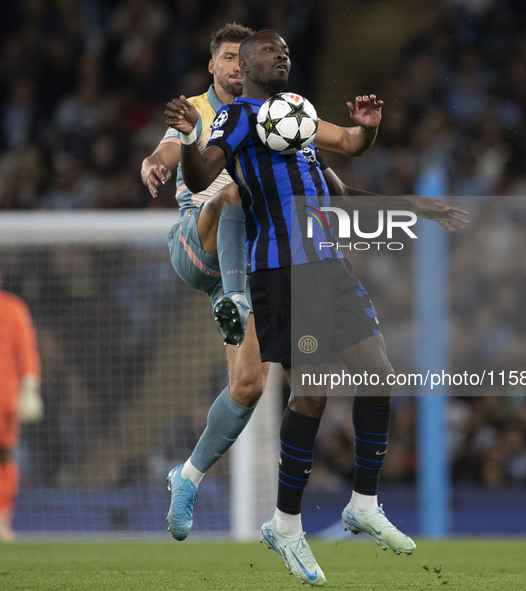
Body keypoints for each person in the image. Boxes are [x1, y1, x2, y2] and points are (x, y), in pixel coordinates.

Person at [170, 29, 469, 586]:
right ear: (249, 65)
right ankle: (285, 524)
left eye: (285, 50)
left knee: (378, 375)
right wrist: (190, 136)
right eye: (270, 51)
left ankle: (363, 503)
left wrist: (379, 146)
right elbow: (199, 175)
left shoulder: (299, 114)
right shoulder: (235, 121)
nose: (281, 55)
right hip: (281, 274)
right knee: (311, 394)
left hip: (329, 266)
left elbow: (347, 164)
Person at [142, 22, 387, 542]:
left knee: (249, 385)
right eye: (227, 57)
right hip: (199, 242)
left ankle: (186, 476)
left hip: (250, 256)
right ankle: (235, 298)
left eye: (241, 58)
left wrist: (364, 145)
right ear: (216, 66)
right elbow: (170, 155)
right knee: (231, 192)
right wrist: (158, 158)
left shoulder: (280, 113)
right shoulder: (200, 109)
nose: (236, 66)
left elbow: (338, 150)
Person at [0, 270, 43, 542]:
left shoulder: (14, 308)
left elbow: (25, 350)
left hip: (5, 400)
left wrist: (30, 388)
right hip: (6, 397)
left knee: (4, 458)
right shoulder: (15, 308)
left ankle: (2, 519)